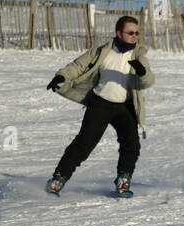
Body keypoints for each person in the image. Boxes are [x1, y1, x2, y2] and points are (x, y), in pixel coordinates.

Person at [45, 16, 153, 196]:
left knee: (131, 143)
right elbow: (78, 66)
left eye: (137, 33)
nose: (135, 36)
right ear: (119, 33)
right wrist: (62, 76)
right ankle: (58, 179)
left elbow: (148, 82)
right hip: (100, 104)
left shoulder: (138, 57)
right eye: (130, 33)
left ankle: (123, 180)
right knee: (84, 144)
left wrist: (142, 73)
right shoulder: (102, 52)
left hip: (124, 107)